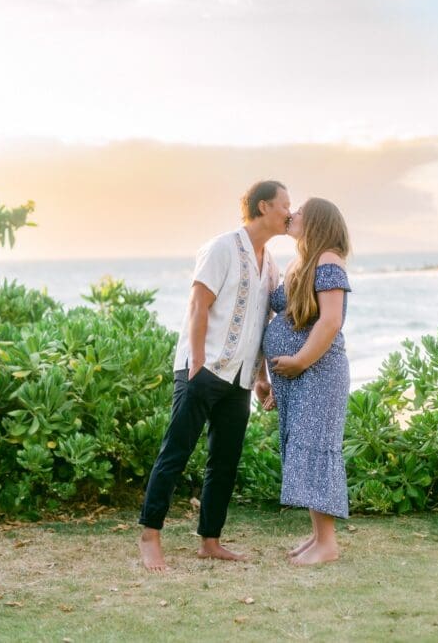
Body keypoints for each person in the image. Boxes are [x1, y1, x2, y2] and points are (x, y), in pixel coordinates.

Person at [138, 180, 290, 572]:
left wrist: (260, 376)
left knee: (224, 460)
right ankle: (150, 536)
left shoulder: (270, 263)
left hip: (239, 379)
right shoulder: (222, 247)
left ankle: (210, 540)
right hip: (202, 370)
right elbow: (198, 303)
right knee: (176, 451)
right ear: (262, 207)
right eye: (284, 205)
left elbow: (261, 322)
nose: (289, 213)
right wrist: (198, 361)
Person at [262, 197, 351, 566]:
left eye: (299, 211)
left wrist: (298, 361)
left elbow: (331, 321)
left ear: (315, 222)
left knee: (315, 449)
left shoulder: (328, 260)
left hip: (319, 372)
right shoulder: (304, 263)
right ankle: (317, 536)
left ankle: (327, 544)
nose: (292, 214)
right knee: (303, 448)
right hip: (300, 378)